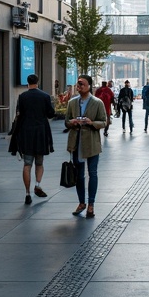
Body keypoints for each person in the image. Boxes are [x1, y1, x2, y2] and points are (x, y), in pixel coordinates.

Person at [65, 75, 107, 218]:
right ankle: (81, 202)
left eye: (82, 84)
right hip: (76, 143)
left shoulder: (97, 102)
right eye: (78, 84)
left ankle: (91, 204)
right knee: (79, 175)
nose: (79, 87)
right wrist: (73, 122)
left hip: (92, 143)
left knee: (93, 173)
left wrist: (91, 123)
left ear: (89, 86)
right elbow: (66, 122)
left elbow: (104, 122)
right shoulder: (72, 103)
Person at [13, 73, 55, 205]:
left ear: (27, 82)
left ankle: (27, 193)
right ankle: (37, 184)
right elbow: (50, 113)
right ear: (38, 81)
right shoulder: (45, 96)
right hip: (41, 131)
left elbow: (19, 114)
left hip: (27, 132)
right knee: (39, 162)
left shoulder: (22, 97)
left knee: (27, 164)